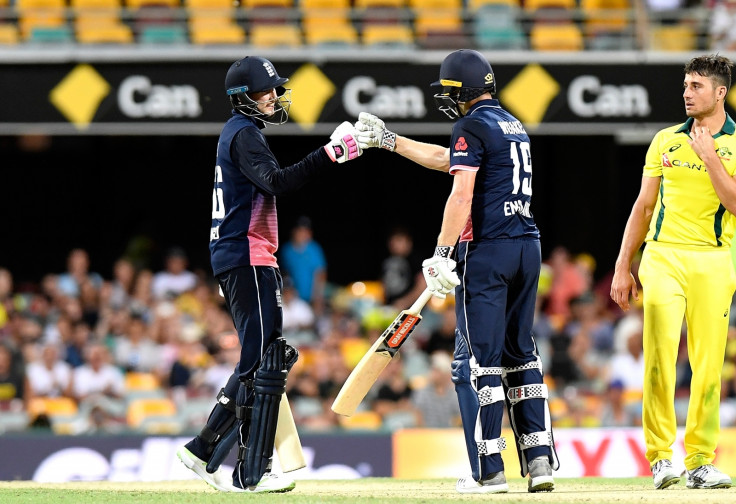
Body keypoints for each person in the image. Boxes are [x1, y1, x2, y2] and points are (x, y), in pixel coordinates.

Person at [354, 49, 558, 494]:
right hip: (527, 246)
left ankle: (489, 471)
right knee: (521, 353)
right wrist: (389, 141)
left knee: (479, 365)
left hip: (487, 250)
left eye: (448, 91)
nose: (446, 99)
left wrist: (442, 252)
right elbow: (447, 159)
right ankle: (539, 461)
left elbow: (461, 191)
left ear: (463, 89)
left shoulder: (469, 124)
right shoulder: (510, 123)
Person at [175, 55, 362, 494]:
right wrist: (330, 154)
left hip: (243, 254)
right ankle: (243, 469)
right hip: (246, 255)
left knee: (262, 358)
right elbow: (277, 182)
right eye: (267, 90)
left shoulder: (239, 133)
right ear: (243, 97)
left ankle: (209, 452)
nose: (275, 96)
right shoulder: (243, 134)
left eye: (276, 88)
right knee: (262, 361)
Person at [610, 54, 736, 490]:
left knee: (707, 366)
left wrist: (711, 157)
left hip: (716, 261)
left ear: (721, 92)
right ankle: (662, 458)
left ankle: (701, 461)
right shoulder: (665, 140)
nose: (686, 92)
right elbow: (643, 207)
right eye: (685, 85)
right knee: (660, 353)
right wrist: (623, 265)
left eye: (697, 86)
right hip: (662, 256)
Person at [279, 217, 327, 315]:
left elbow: (321, 274)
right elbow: (284, 275)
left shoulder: (314, 249)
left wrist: (318, 298)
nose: (302, 234)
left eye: (305, 231)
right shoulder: (286, 250)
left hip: (311, 298)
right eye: (299, 230)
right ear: (294, 231)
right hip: (294, 299)